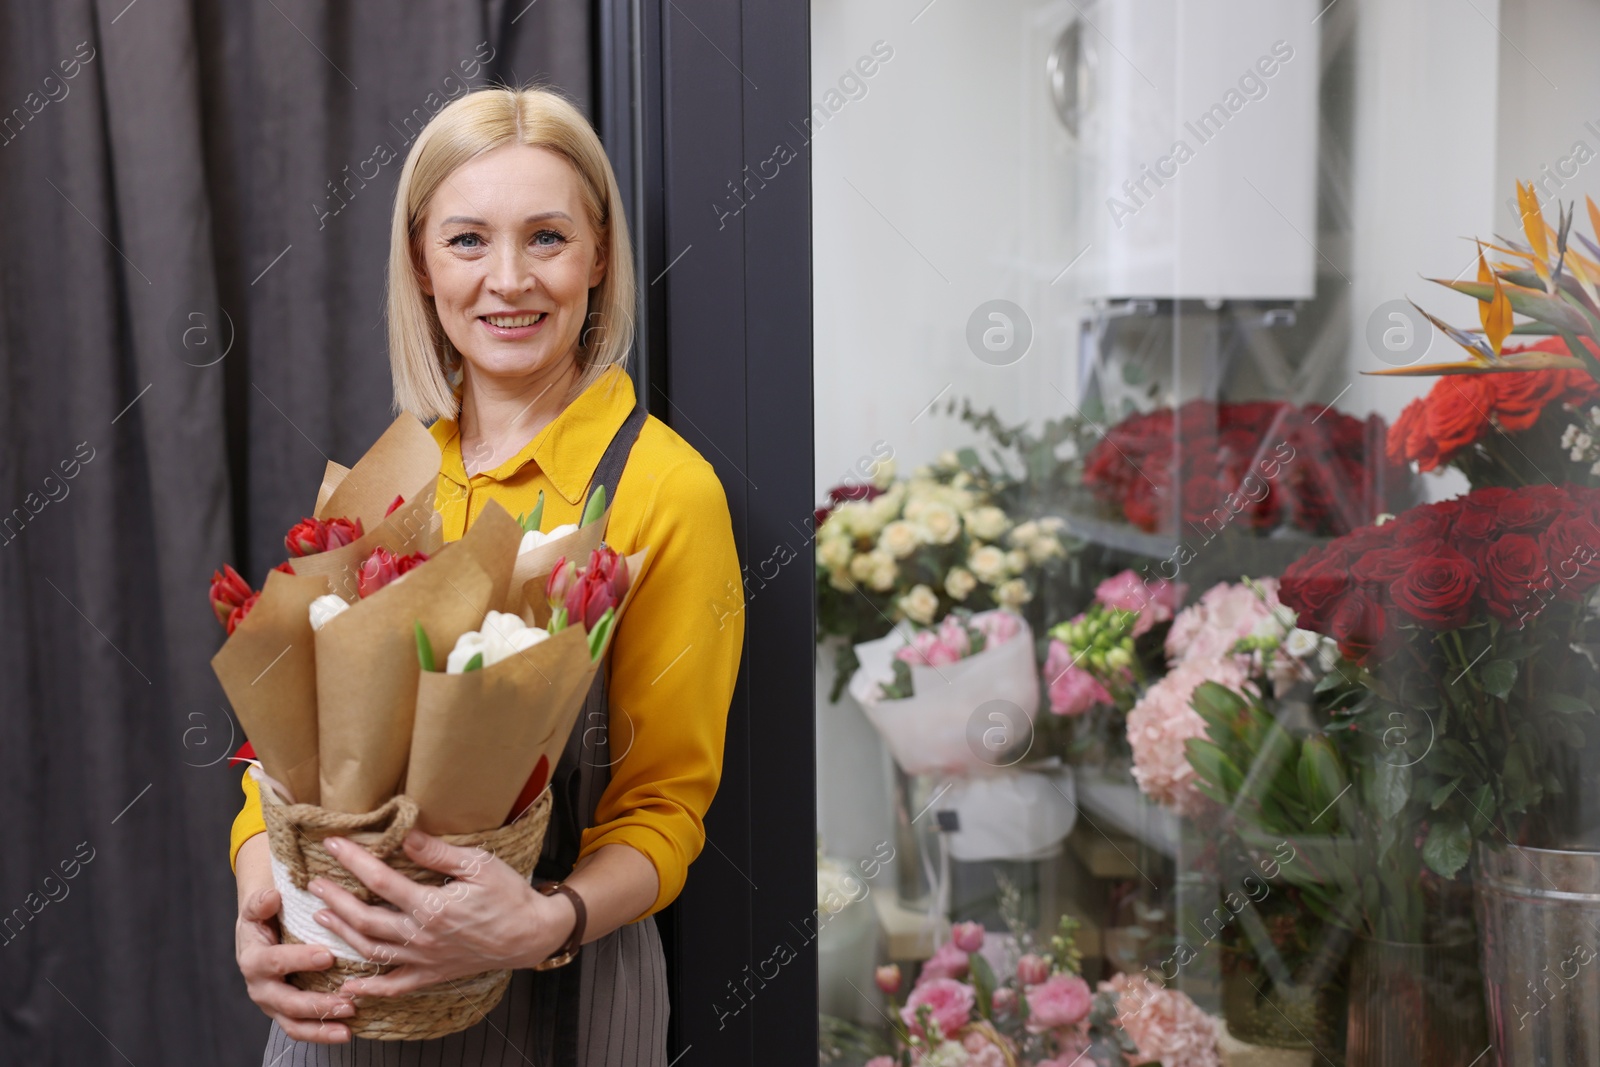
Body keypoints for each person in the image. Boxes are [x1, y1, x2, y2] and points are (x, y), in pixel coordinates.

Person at [228, 86, 745, 1066]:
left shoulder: (666, 491)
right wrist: (259, 891)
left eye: (545, 237)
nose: (508, 280)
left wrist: (542, 922)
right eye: (468, 241)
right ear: (422, 264)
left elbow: (665, 808)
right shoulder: (389, 478)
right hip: (347, 989)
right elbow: (279, 764)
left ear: (597, 254)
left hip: (560, 988)